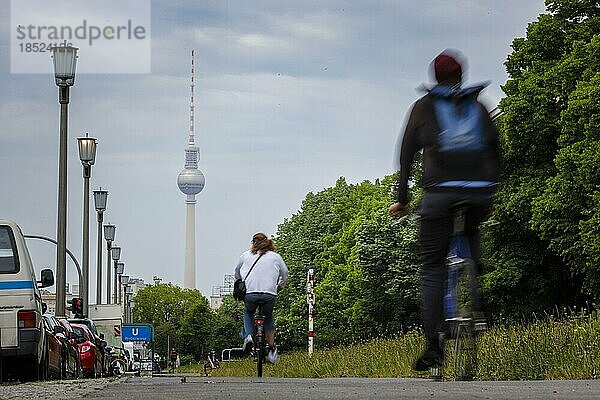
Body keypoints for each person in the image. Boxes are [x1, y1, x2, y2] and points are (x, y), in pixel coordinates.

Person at [389, 49, 500, 371]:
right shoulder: (477, 105)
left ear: (434, 77)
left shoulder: (424, 108)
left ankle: (433, 346)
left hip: (438, 195)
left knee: (432, 267)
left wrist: (403, 197)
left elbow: (406, 154)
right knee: (472, 229)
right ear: (461, 76)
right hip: (479, 192)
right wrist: (491, 190)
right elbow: (496, 147)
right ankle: (475, 276)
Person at [234, 232, 288, 364]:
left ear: (253, 243)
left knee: (248, 312)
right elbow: (285, 273)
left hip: (250, 294)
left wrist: (242, 282)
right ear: (268, 242)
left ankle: (248, 337)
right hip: (269, 293)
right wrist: (280, 285)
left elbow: (237, 274)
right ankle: (271, 349)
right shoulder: (276, 257)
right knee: (268, 316)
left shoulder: (244, 256)